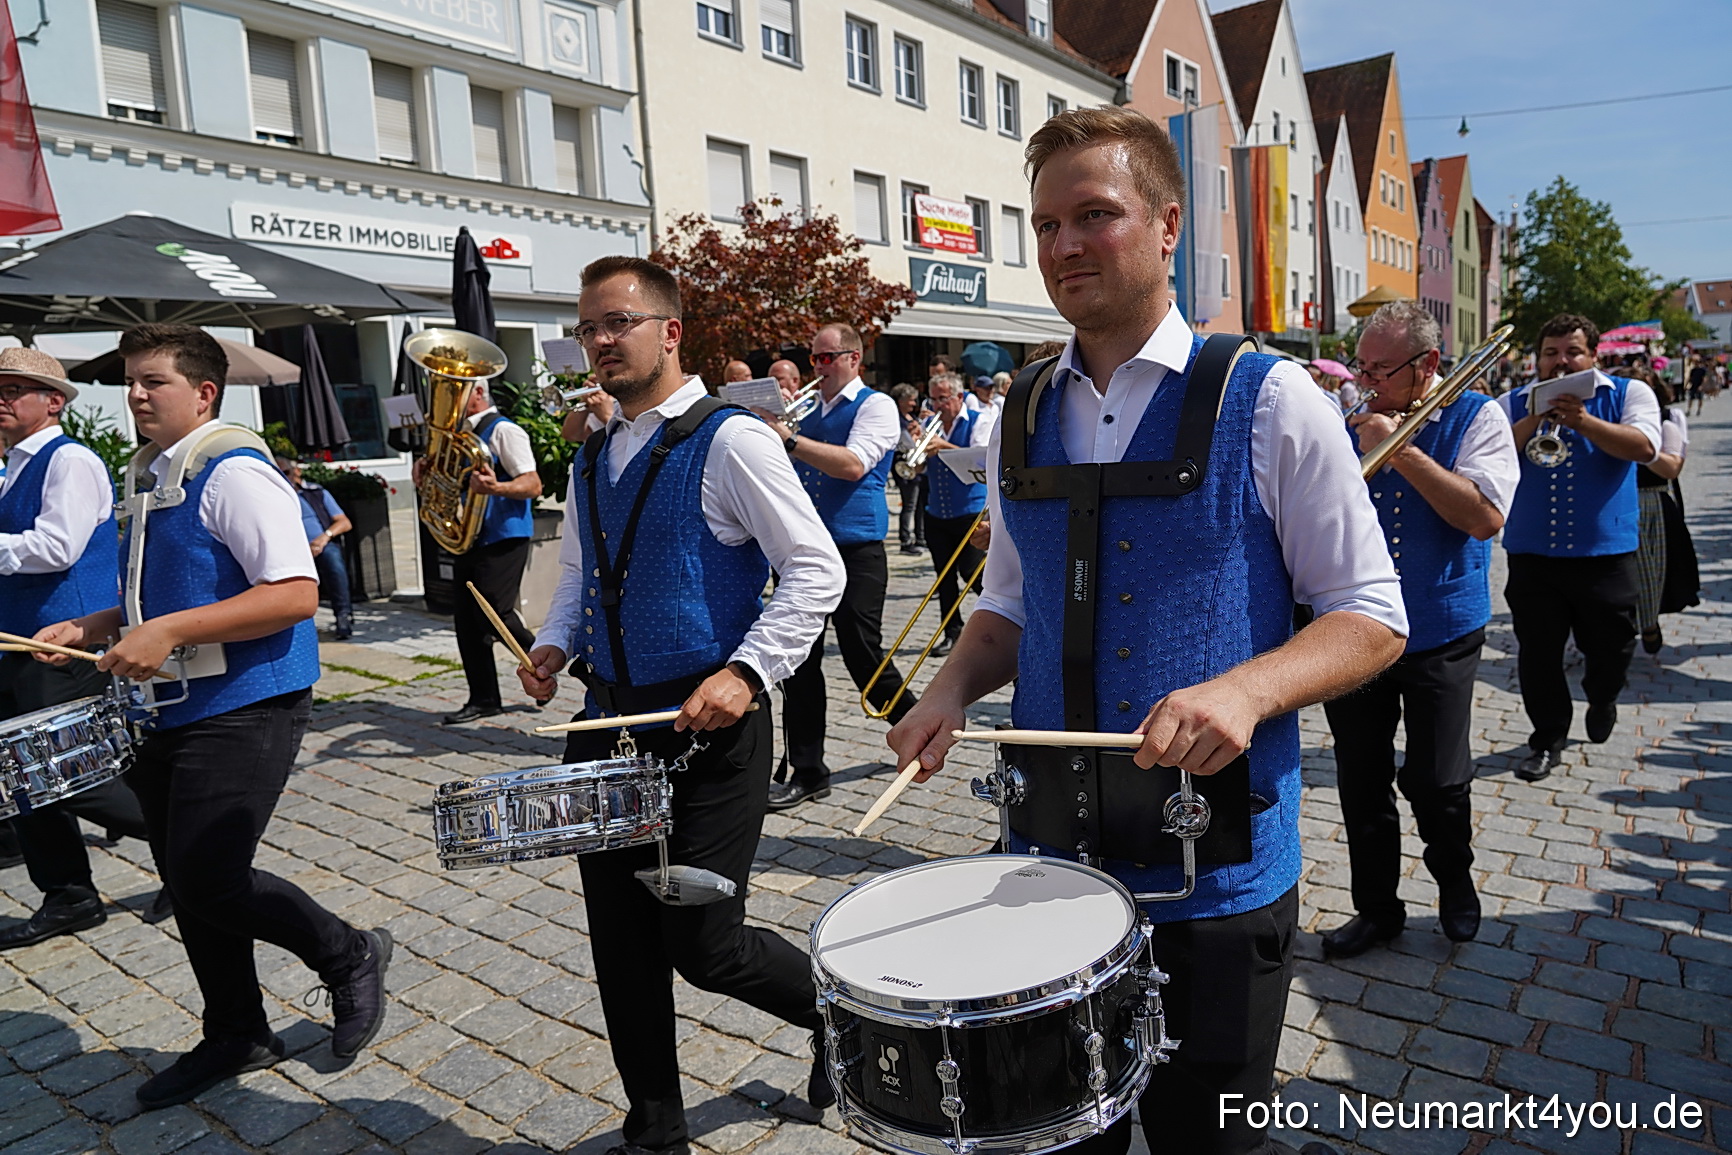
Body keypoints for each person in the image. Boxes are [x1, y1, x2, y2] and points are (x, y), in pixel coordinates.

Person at [889, 106, 1401, 1155]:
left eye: (1094, 215)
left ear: (1167, 225)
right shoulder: (1019, 408)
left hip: (1212, 876)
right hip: (1044, 865)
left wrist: (1249, 690)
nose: (1065, 245)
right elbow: (1010, 606)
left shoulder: (1273, 397)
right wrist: (943, 693)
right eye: (1044, 224)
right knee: (1051, 1135)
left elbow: (1371, 616)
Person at [518, 255, 844, 1155]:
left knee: (706, 943)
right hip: (608, 719)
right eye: (588, 327)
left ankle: (837, 1017)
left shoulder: (733, 439)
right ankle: (654, 1121)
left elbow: (818, 569)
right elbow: (582, 572)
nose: (600, 341)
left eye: (617, 322)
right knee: (619, 937)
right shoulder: (591, 450)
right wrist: (553, 641)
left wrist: (745, 673)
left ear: (670, 330)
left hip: (715, 725)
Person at [35, 323, 388, 1108]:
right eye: (130, 380)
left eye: (152, 381)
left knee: (210, 873)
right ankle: (237, 1028)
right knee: (186, 879)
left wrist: (167, 631)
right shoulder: (151, 470)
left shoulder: (232, 472)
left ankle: (348, 953)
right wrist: (94, 627)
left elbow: (294, 592)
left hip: (250, 699)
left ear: (204, 392)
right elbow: (160, 590)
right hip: (170, 704)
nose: (134, 395)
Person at [1320, 301, 1519, 959]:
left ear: (1428, 364)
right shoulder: (1351, 414)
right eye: (1362, 366)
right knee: (1360, 776)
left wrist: (1399, 448)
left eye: (1380, 369)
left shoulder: (1478, 415)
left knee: (1437, 775)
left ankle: (1454, 879)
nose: (1365, 380)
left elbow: (1484, 517)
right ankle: (1376, 908)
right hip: (1356, 628)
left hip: (1443, 625)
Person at [0, 348, 165, 949]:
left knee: (72, 774)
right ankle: (68, 895)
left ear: (53, 403)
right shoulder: (14, 463)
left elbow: (57, 548)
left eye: (16, 388)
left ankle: (185, 850)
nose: (2, 398)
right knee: (23, 774)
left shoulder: (67, 459)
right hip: (22, 638)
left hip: (64, 639)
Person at [756, 322, 916, 810]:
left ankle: (920, 726)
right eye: (814, 359)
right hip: (801, 550)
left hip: (855, 546)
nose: (818, 368)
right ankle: (808, 771)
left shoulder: (876, 405)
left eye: (827, 359)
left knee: (862, 651)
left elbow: (852, 464)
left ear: (853, 359)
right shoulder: (805, 412)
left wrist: (785, 438)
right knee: (798, 660)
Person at [1499, 314, 1660, 781]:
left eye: (1571, 352)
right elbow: (1492, 456)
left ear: (1592, 356)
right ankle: (1547, 739)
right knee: (1538, 654)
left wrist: (1583, 421)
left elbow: (1646, 447)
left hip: (1605, 555)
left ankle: (1603, 694)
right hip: (1533, 556)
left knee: (1612, 646)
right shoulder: (1512, 402)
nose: (1560, 361)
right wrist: (1536, 415)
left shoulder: (1628, 394)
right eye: (1550, 353)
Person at [418, 381, 543, 724]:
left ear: (478, 394)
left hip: (504, 535)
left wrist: (496, 487)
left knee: (496, 613)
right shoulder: (458, 436)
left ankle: (545, 666)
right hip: (469, 535)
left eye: (458, 390)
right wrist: (427, 477)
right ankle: (484, 698)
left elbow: (532, 484)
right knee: (466, 622)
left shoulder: (505, 431)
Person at [916, 373, 991, 658]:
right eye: (933, 399)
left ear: (959, 397)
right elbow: (920, 469)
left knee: (971, 571)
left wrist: (942, 446)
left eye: (943, 398)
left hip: (970, 512)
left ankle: (1005, 619)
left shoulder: (978, 420)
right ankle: (952, 631)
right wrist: (918, 456)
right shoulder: (928, 425)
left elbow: (980, 457)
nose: (937, 405)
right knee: (944, 578)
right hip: (937, 512)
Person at [1631, 372, 1687, 653]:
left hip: (1650, 500)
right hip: (1611, 500)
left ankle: (1649, 622)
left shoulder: (1667, 421)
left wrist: (1637, 447)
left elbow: (1672, 468)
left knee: (1650, 570)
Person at [276, 457, 355, 641]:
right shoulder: (273, 496)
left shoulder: (316, 492)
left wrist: (324, 537)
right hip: (290, 548)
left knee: (333, 560)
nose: (283, 477)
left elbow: (344, 522)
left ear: (297, 472)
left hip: (321, 544)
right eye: (278, 473)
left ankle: (343, 615)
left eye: (286, 472)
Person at [889, 383, 927, 556]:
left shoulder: (911, 417)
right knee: (909, 504)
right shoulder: (895, 418)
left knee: (920, 503)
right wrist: (911, 433)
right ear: (901, 400)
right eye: (910, 400)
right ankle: (905, 540)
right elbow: (902, 442)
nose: (914, 403)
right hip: (903, 464)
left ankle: (920, 536)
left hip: (918, 464)